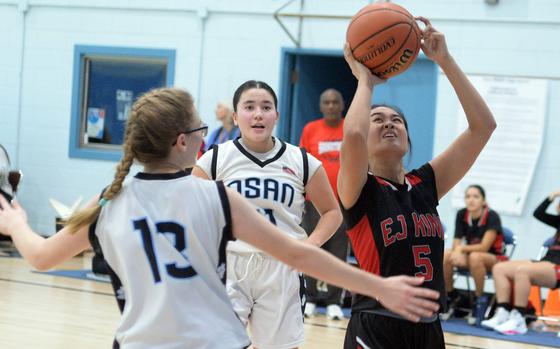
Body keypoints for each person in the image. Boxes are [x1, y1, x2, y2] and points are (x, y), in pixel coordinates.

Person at [0, 87, 440, 349]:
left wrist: (15, 222)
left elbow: (39, 258)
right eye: (199, 131)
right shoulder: (215, 197)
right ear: (181, 142)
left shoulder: (108, 203)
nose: (205, 136)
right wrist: (378, 285)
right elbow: (300, 256)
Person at [339, 16, 496, 349]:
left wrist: (445, 61)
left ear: (408, 139)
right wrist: (365, 82)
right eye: (377, 120)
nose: (389, 124)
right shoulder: (359, 189)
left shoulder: (425, 184)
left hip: (429, 329)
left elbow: (483, 127)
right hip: (378, 324)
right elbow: (351, 133)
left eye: (396, 120)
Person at [193, 80, 343, 349]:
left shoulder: (301, 160)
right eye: (249, 107)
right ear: (236, 117)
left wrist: (310, 246)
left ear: (277, 115)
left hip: (282, 267)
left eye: (266, 107)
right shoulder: (215, 159)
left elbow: (332, 212)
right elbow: (189, 210)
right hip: (229, 264)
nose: (258, 114)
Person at [481, 190, 560, 335]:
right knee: (500, 268)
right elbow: (538, 213)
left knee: (522, 271)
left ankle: (519, 319)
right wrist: (552, 196)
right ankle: (503, 311)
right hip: (547, 262)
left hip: (557, 267)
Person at [299, 88, 348, 320]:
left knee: (337, 253)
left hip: (343, 203)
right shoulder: (310, 129)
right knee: (311, 248)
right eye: (326, 102)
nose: (330, 106)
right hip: (313, 202)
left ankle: (333, 301)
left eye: (334, 102)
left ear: (342, 105)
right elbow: (302, 164)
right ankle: (309, 298)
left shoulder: (350, 128)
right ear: (321, 106)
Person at [441, 184, 506, 325]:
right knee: (446, 255)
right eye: (468, 196)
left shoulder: (492, 216)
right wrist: (457, 251)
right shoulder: (461, 214)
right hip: (471, 256)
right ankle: (452, 296)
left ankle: (479, 299)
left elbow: (484, 247)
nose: (471, 200)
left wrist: (461, 250)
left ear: (483, 201)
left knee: (475, 257)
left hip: (494, 257)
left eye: (476, 196)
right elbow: (456, 241)